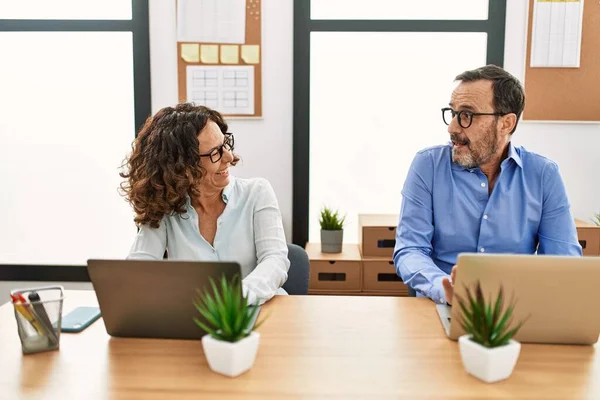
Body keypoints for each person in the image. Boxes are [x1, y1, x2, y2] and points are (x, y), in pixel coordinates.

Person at [393, 65, 582, 305]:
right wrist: (444, 288)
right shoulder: (428, 165)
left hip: (516, 309)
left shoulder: (544, 175)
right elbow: (410, 250)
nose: (452, 127)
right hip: (440, 304)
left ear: (506, 123)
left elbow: (562, 262)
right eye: (452, 113)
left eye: (466, 115)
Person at [119, 103, 289, 305]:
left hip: (260, 312)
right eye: (215, 152)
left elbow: (275, 260)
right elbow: (139, 269)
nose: (229, 157)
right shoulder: (165, 206)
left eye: (225, 144)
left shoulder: (257, 192)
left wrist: (237, 296)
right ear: (182, 166)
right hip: (195, 317)